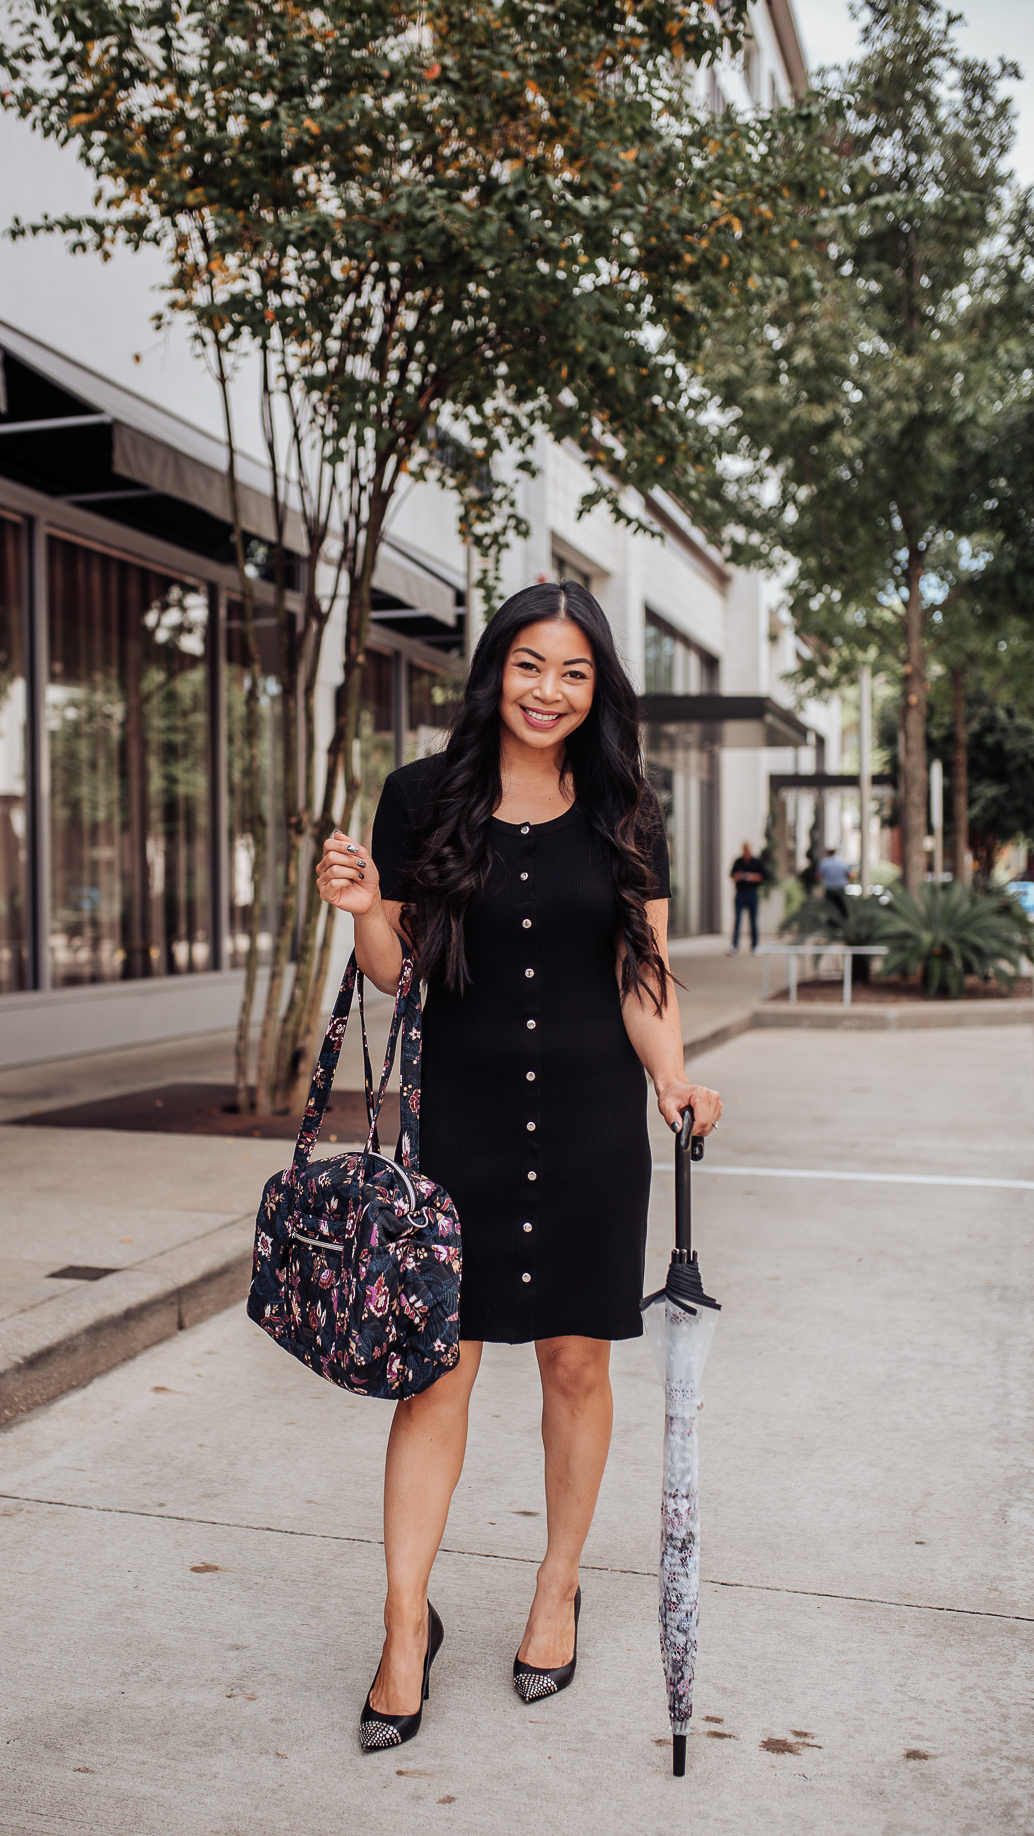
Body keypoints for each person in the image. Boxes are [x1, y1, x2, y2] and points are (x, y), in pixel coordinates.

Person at [315, 581, 721, 1752]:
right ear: (494, 672)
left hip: (593, 1121)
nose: (548, 691)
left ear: (597, 689)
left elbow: (641, 971)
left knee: (574, 1367)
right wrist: (360, 908)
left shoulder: (625, 805)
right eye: (529, 666)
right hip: (463, 1124)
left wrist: (672, 1077)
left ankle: (556, 1589)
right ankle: (404, 1628)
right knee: (434, 1374)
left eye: (574, 672)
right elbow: (398, 974)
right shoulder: (419, 798)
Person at [729, 840, 765, 953]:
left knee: (753, 920)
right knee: (738, 919)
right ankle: (734, 945)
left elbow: (762, 876)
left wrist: (751, 876)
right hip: (740, 892)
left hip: (752, 892)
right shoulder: (738, 861)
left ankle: (755, 945)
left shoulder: (756, 862)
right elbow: (732, 875)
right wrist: (740, 876)